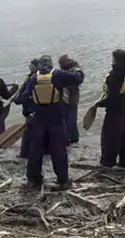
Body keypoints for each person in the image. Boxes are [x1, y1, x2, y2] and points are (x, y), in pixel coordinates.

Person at [18, 55, 84, 190]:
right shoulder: (58, 75)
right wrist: (77, 69)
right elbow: (78, 78)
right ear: (51, 64)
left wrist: (27, 112)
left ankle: (33, 179)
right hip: (56, 118)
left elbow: (24, 98)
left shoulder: (33, 78)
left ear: (39, 66)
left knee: (35, 150)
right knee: (59, 150)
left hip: (39, 119)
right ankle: (63, 180)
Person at [96, 49, 125, 170]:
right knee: (124, 135)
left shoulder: (114, 76)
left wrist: (100, 104)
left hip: (115, 110)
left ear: (116, 60)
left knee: (110, 136)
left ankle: (108, 162)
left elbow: (113, 97)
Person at [58, 53, 85, 145]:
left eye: (62, 63)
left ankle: (74, 140)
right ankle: (67, 139)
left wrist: (64, 77)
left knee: (72, 121)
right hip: (63, 99)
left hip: (72, 98)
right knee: (64, 121)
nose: (60, 65)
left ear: (67, 61)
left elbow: (78, 78)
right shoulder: (61, 70)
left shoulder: (75, 68)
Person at [15, 58, 39, 159]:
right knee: (34, 131)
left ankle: (25, 154)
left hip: (31, 109)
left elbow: (25, 96)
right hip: (34, 109)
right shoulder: (31, 77)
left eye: (32, 65)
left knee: (29, 132)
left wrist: (17, 100)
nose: (30, 67)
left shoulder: (34, 78)